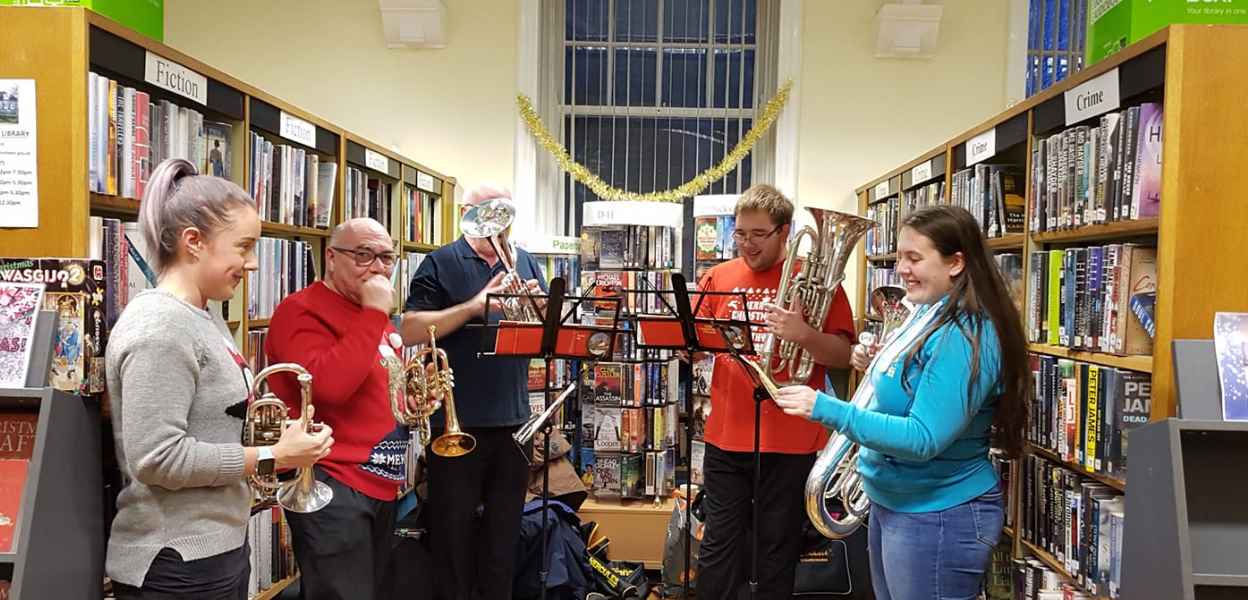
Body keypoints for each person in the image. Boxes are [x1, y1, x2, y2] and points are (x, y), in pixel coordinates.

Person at [773, 204, 1030, 600]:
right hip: (899, 504)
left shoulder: (965, 334)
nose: (900, 269)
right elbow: (912, 382)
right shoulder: (927, 311)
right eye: (898, 257)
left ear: (956, 263)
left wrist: (826, 408)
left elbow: (923, 437)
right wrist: (876, 361)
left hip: (939, 515)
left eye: (914, 258)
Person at [104, 158, 333, 600]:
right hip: (174, 561)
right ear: (194, 242)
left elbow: (211, 423)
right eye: (243, 247)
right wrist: (271, 453)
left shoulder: (204, 313)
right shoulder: (160, 327)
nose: (251, 265)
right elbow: (156, 459)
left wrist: (281, 436)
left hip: (214, 550)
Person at [692, 184, 855, 600]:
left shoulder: (817, 282)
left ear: (785, 232)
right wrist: (685, 349)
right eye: (740, 233)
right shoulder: (719, 276)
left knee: (778, 547)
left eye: (757, 235)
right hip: (726, 436)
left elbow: (842, 354)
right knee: (718, 546)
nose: (746, 244)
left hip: (791, 438)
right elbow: (695, 344)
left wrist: (803, 334)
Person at [400, 183, 547, 600]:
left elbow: (539, 340)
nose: (498, 223)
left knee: (503, 537)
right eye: (488, 212)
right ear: (466, 212)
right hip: (457, 421)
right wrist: (475, 305)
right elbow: (410, 329)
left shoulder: (527, 262)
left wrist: (537, 313)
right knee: (453, 536)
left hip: (515, 420)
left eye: (505, 212)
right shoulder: (440, 262)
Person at [264, 217, 416, 600]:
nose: (379, 268)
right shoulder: (300, 311)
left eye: (387, 258)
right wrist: (375, 314)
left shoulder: (369, 311)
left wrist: (407, 400)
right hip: (333, 480)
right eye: (364, 255)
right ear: (331, 257)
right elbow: (328, 389)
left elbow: (373, 378)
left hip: (380, 482)